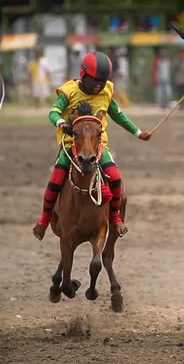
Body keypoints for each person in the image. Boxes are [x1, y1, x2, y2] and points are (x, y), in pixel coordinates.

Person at [32, 51, 152, 240]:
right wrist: (60, 123)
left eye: (102, 82)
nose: (98, 85)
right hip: (71, 146)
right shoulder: (69, 91)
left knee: (115, 178)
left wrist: (138, 132)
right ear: (83, 75)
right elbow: (53, 113)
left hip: (98, 148)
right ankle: (44, 220)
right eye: (94, 80)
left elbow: (118, 116)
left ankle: (115, 218)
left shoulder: (107, 91)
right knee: (55, 180)